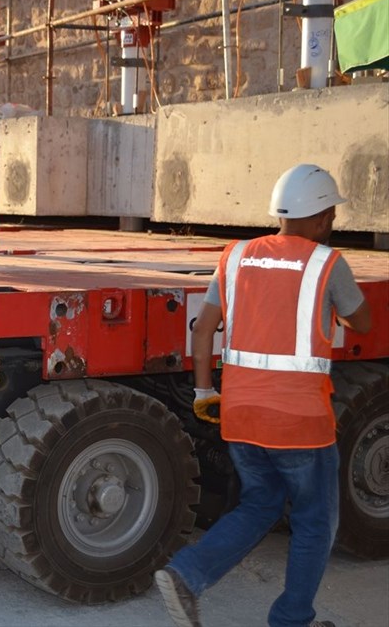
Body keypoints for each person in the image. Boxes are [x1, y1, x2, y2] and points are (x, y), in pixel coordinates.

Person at [155, 164, 372, 627]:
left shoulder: (236, 257)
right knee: (315, 521)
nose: (333, 222)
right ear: (322, 218)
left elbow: (204, 329)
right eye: (332, 215)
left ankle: (187, 574)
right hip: (300, 424)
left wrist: (203, 391)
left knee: (260, 504)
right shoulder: (327, 263)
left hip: (241, 417)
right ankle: (291, 619)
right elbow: (362, 322)